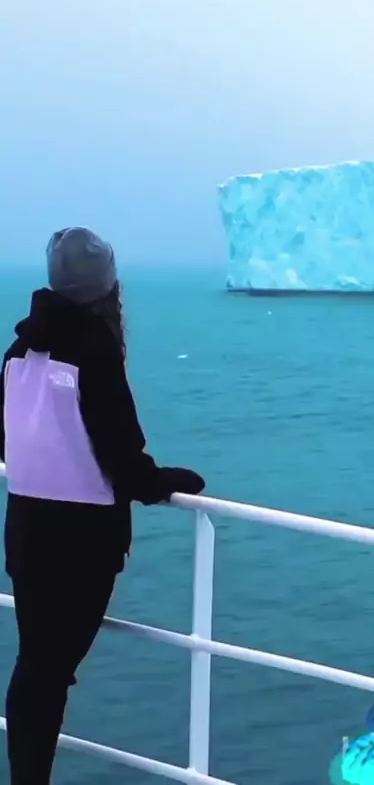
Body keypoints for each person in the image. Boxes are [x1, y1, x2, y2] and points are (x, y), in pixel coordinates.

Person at [0, 227, 205, 785]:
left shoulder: (19, 349)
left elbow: (11, 438)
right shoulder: (94, 349)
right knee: (50, 673)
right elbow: (121, 452)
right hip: (81, 541)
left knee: (36, 666)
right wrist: (167, 482)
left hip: (25, 529)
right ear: (106, 286)